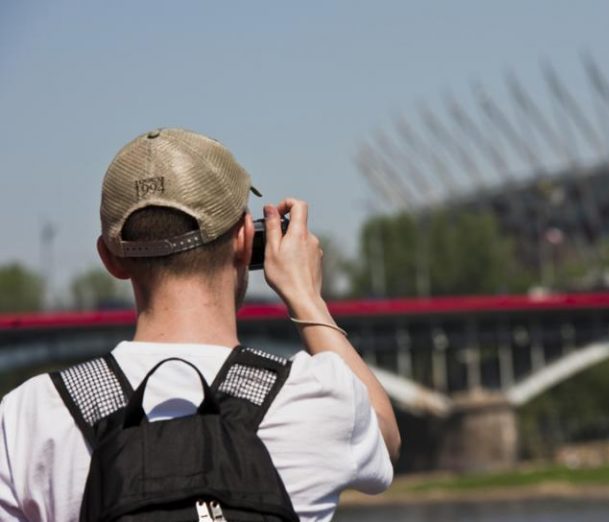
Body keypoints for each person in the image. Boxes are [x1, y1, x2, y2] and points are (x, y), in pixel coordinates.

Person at [0, 128, 400, 521]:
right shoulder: (314, 395)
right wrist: (307, 298)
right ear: (246, 239)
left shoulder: (31, 415)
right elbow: (385, 435)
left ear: (110, 259)